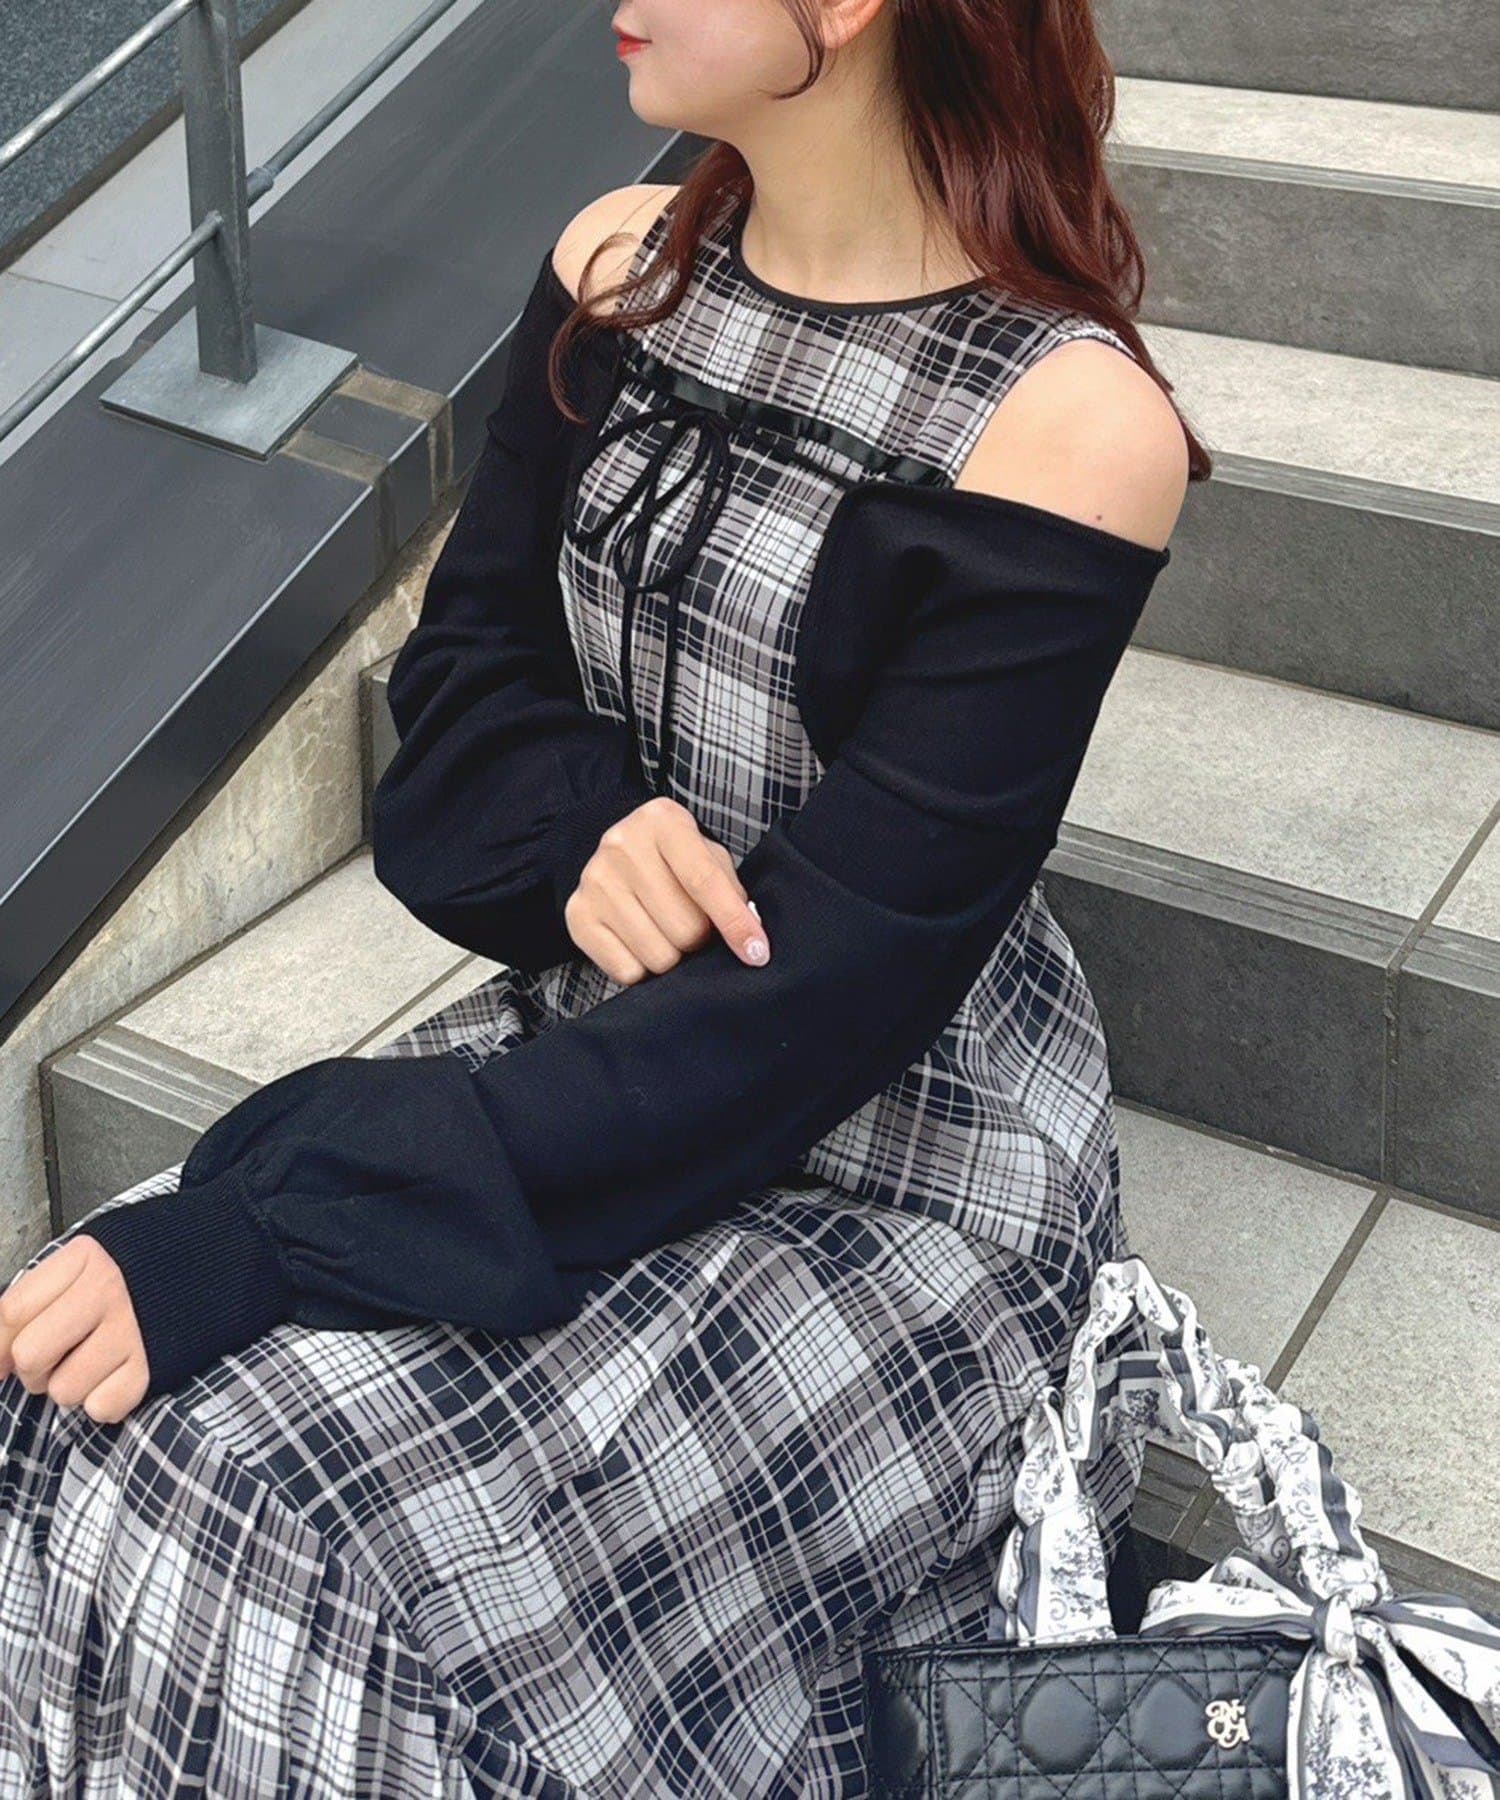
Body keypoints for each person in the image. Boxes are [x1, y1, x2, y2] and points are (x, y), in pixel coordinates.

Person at [0, 1, 1199, 1790]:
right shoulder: (618, 272)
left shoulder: (1069, 427)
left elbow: (825, 1002)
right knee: (85, 1404)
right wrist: (583, 833)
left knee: (278, 1502)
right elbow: (461, 684)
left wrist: (278, 1228)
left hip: (903, 1160)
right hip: (606, 1044)